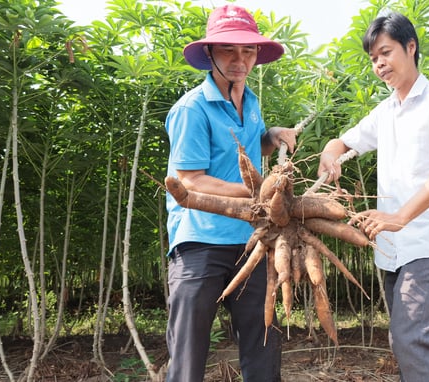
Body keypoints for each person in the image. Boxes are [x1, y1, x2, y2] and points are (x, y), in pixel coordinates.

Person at [317, 11, 429, 382]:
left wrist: (401, 215)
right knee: (404, 339)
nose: (379, 64)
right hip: (394, 247)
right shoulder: (385, 112)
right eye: (373, 59)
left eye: (385, 53)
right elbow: (344, 140)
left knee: (410, 339)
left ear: (411, 47)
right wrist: (329, 154)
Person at [164, 4, 296, 382]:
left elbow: (252, 146)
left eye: (248, 51)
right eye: (228, 50)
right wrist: (257, 196)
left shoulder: (250, 101)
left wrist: (273, 136)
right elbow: (190, 180)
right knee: (188, 355)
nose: (240, 60)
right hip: (200, 243)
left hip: (251, 242)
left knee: (264, 341)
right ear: (209, 54)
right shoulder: (192, 108)